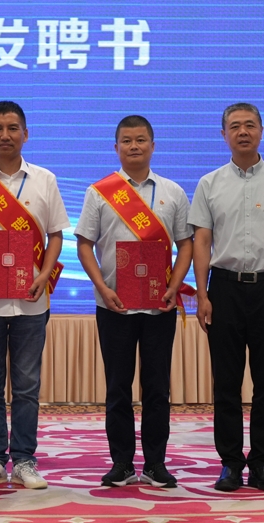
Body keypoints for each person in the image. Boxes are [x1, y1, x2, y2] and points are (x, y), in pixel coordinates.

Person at [190, 102, 264, 493]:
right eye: (235, 126)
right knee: (226, 382)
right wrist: (202, 294)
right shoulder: (209, 184)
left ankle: (261, 464)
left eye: (250, 125)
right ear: (223, 134)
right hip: (224, 289)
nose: (243, 132)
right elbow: (202, 240)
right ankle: (229, 464)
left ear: (261, 131)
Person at [0, 101, 69, 490]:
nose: (6, 135)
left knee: (27, 386)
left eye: (13, 128)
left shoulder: (45, 180)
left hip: (32, 301)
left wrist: (45, 274)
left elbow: (56, 235)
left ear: (26, 134)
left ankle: (24, 460)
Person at [75, 115, 192, 488]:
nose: (134, 146)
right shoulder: (99, 192)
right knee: (117, 388)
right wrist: (102, 287)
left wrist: (175, 284)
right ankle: (122, 463)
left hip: (160, 304)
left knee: (157, 388)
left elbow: (186, 244)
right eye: (127, 140)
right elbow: (84, 245)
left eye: (141, 140)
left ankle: (155, 463)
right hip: (114, 305)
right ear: (116, 148)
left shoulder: (173, 192)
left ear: (153, 146)